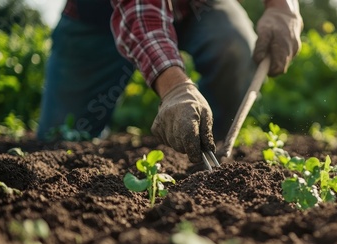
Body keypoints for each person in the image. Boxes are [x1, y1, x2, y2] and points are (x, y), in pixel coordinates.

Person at [36, 0, 302, 163]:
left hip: (199, 6)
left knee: (235, 46)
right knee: (61, 139)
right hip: (97, 19)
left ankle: (209, 147)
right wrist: (176, 87)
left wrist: (282, 6)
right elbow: (143, 16)